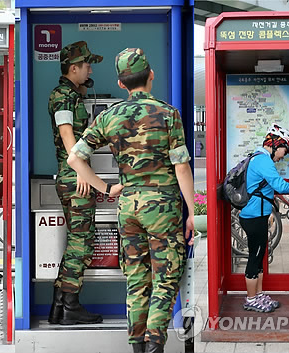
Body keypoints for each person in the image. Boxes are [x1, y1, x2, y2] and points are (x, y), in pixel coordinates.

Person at [68, 48, 195, 353]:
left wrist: (105, 188)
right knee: (165, 278)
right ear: (151, 76)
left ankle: (138, 346)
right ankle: (154, 344)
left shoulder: (109, 116)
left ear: (121, 84)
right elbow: (180, 165)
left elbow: (75, 158)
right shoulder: (168, 114)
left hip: (128, 206)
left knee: (137, 280)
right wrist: (192, 211)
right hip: (162, 207)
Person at [47, 40, 104, 325]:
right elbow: (68, 134)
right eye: (87, 65)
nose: (90, 69)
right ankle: (70, 305)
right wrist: (82, 171)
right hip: (74, 177)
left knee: (76, 241)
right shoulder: (62, 96)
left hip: (71, 175)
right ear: (74, 67)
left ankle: (59, 307)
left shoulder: (70, 94)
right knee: (82, 243)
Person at [239, 124, 289, 313]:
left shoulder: (259, 158)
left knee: (259, 255)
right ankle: (251, 299)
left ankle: (258, 295)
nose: (283, 156)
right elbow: (281, 186)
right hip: (253, 217)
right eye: (284, 151)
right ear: (275, 144)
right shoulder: (263, 161)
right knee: (255, 258)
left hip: (257, 215)